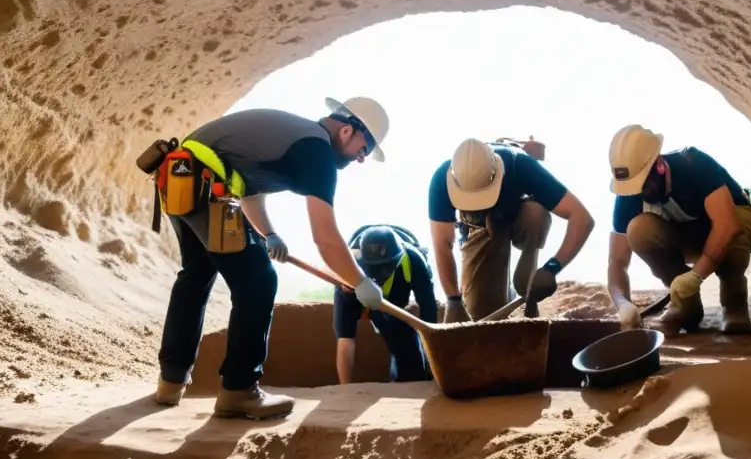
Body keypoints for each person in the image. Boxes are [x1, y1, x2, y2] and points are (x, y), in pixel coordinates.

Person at [152, 96, 391, 420]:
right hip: (205, 182)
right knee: (259, 281)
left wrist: (269, 234)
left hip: (181, 176)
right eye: (364, 148)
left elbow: (249, 192)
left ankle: (171, 382)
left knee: (197, 272)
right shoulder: (315, 149)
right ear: (348, 130)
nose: (361, 159)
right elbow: (325, 237)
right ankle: (239, 389)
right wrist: (360, 282)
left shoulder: (295, 138)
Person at [605, 124, 751, 334]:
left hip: (743, 225)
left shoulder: (693, 164)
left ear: (658, 165)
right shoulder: (629, 194)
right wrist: (623, 304)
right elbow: (617, 261)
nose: (639, 192)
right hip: (691, 236)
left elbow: (728, 226)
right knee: (639, 230)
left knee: (731, 224)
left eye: (643, 184)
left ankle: (735, 306)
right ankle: (687, 308)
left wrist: (696, 276)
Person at [428, 138, 595, 321]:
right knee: (483, 315)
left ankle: (528, 272)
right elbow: (442, 244)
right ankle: (505, 290)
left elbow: (582, 218)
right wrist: (452, 298)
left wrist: (552, 267)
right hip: (477, 227)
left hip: (517, 214)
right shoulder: (441, 180)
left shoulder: (519, 165)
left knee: (535, 213)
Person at [333, 224, 438, 384]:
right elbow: (345, 337)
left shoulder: (414, 261)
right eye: (375, 268)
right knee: (346, 331)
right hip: (360, 290)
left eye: (386, 266)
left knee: (405, 344)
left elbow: (429, 316)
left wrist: (434, 369)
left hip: (397, 299)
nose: (381, 272)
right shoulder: (347, 273)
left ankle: (415, 379)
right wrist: (345, 390)